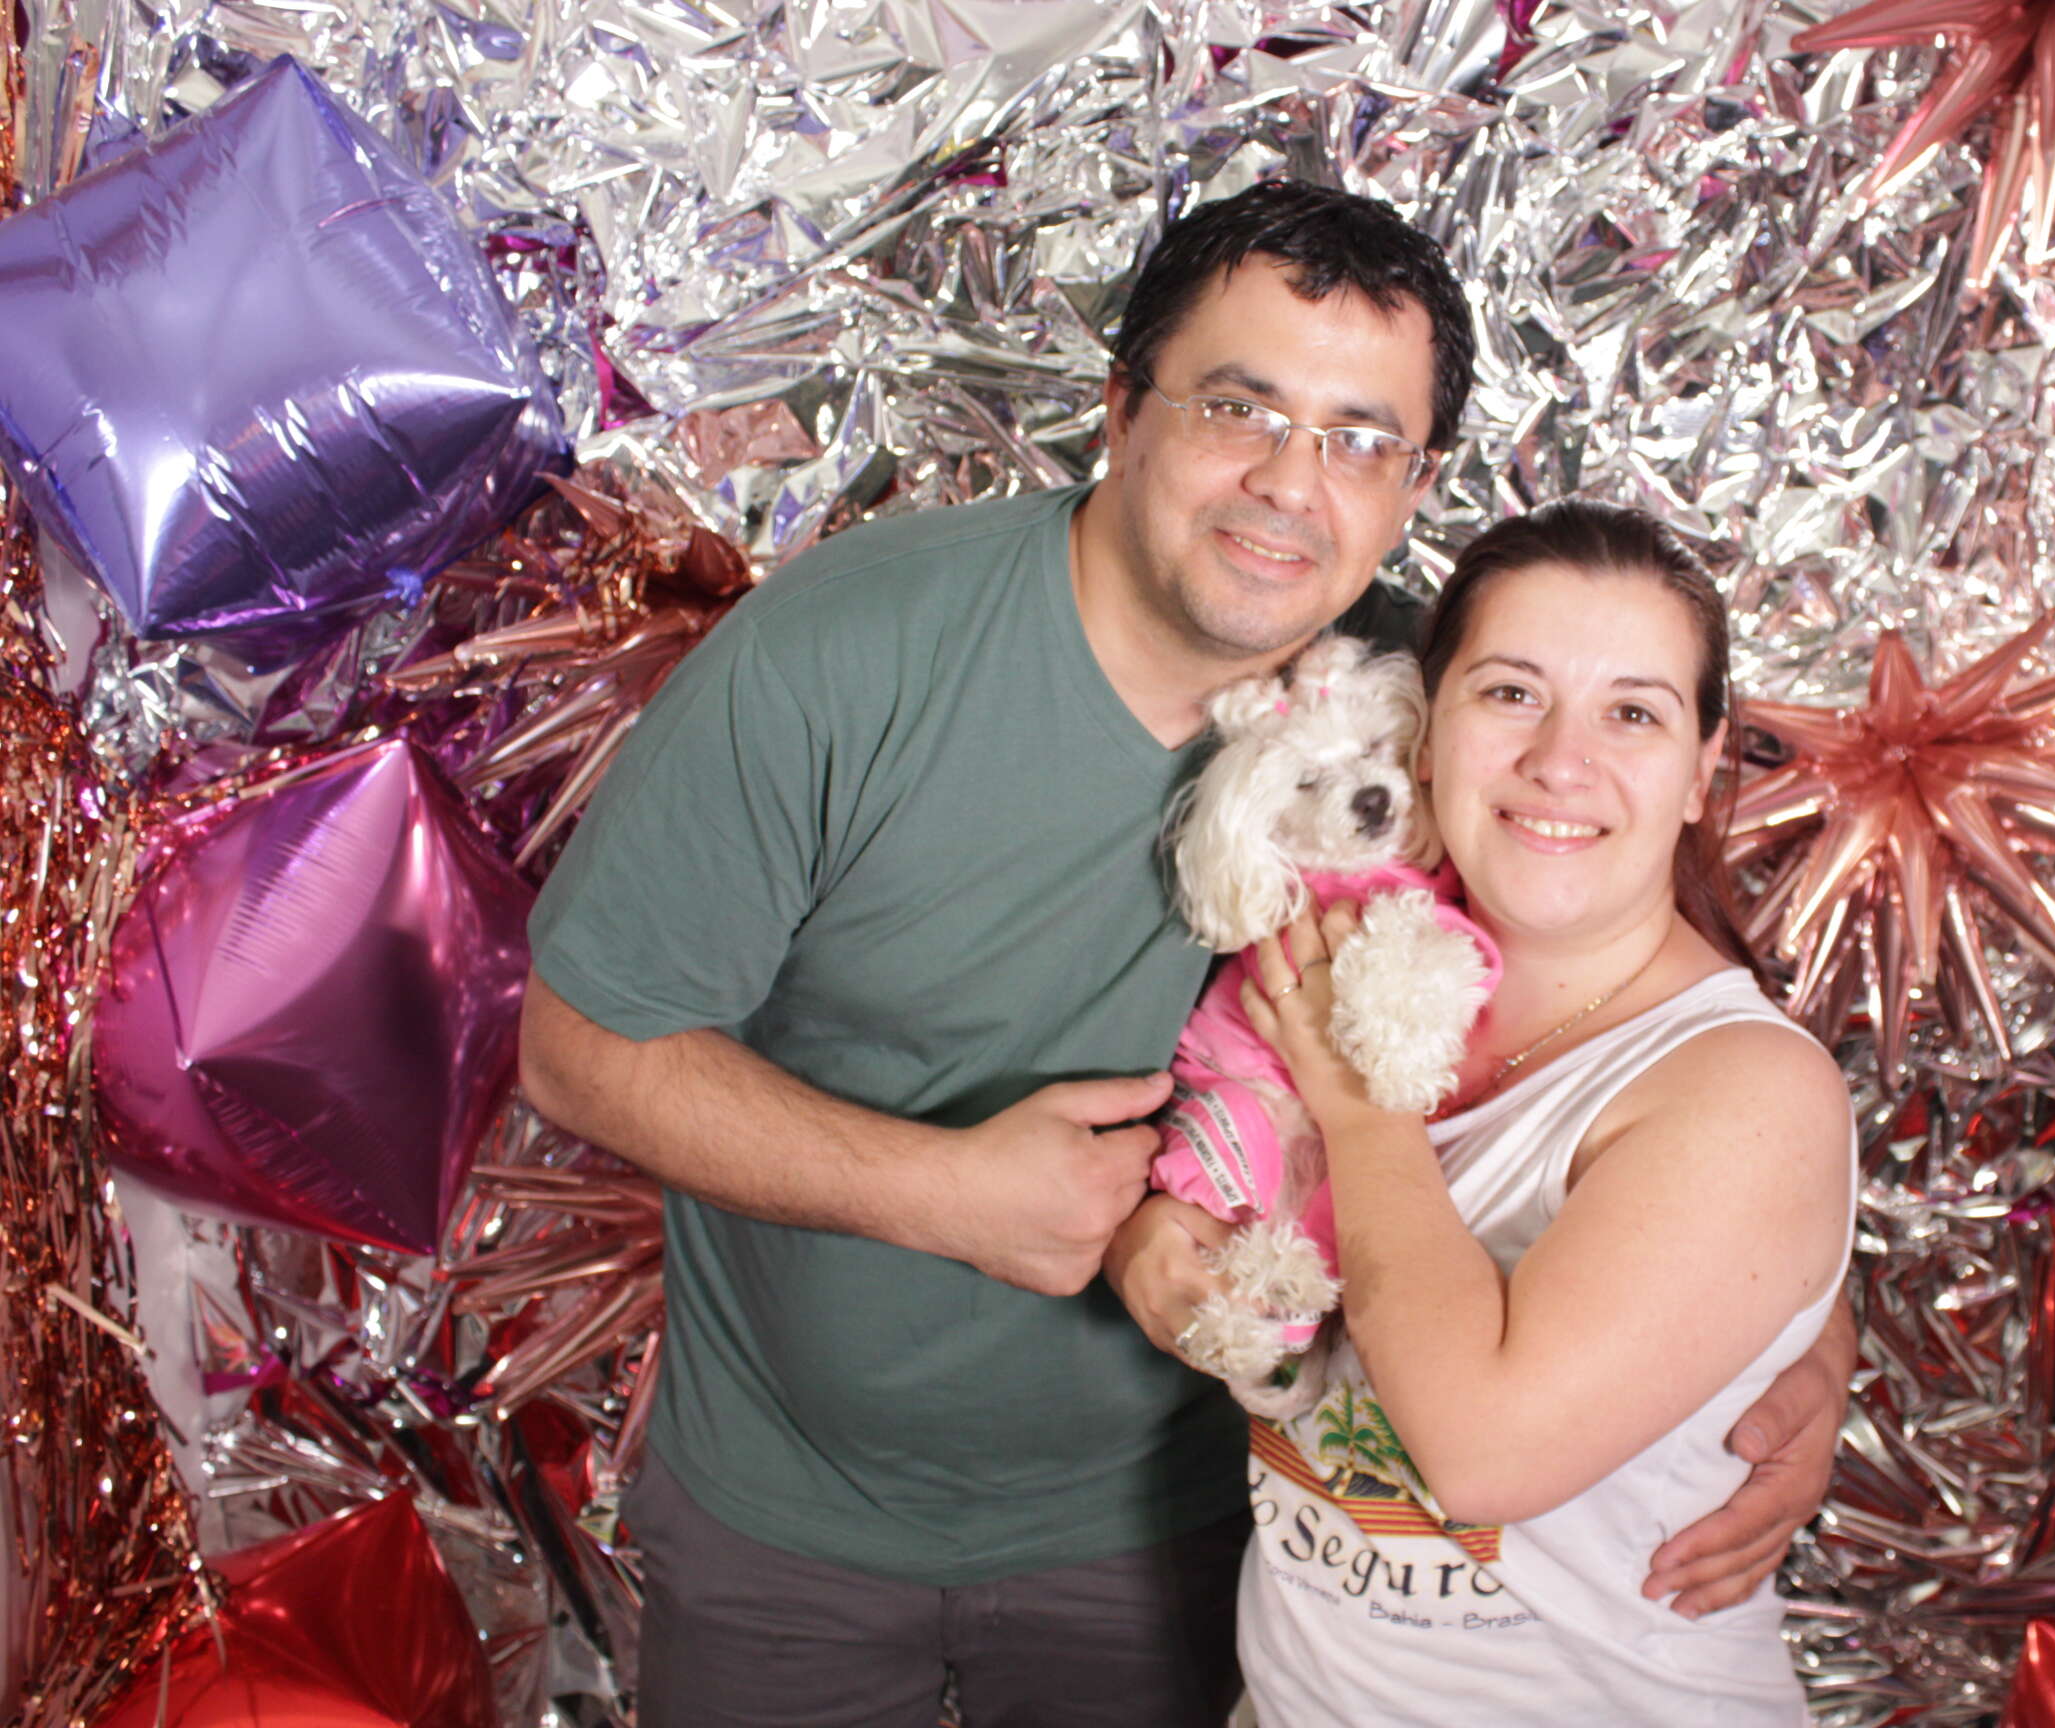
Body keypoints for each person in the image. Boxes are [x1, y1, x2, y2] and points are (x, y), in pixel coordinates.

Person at [517, 182, 1852, 1728]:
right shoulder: (846, 655)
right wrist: (944, 1192)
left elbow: (1663, 1025)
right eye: (1239, 408)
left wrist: (1800, 1339)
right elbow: (576, 1045)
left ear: (1414, 485)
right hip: (789, 1513)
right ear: (1121, 408)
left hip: (1177, 1524)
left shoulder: (1441, 700)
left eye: (1360, 439)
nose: (1290, 485)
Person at [1110, 501, 1856, 1724]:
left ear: (1700, 769)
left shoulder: (1749, 1090)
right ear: (1426, 730)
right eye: (1511, 693)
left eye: (1633, 713)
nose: (1562, 760)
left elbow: (1482, 1455)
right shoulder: (1332, 943)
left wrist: (1362, 1110)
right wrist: (1147, 1232)